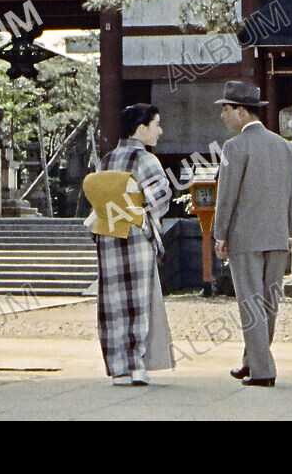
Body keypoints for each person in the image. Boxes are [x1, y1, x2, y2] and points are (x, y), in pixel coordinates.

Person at [212, 81, 292, 387]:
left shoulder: (234, 147)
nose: (223, 115)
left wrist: (220, 233)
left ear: (240, 111)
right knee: (267, 304)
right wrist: (291, 232)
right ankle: (252, 360)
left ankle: (263, 369)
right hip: (277, 236)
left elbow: (226, 195)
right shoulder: (285, 146)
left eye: (226, 109)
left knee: (251, 302)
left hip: (245, 236)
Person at [94, 103, 175, 386]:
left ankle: (117, 368)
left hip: (107, 233)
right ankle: (137, 364)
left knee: (112, 300)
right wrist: (140, 211)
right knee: (138, 300)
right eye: (156, 124)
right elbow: (161, 196)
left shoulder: (106, 160)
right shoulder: (146, 160)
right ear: (142, 129)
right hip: (136, 233)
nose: (160, 131)